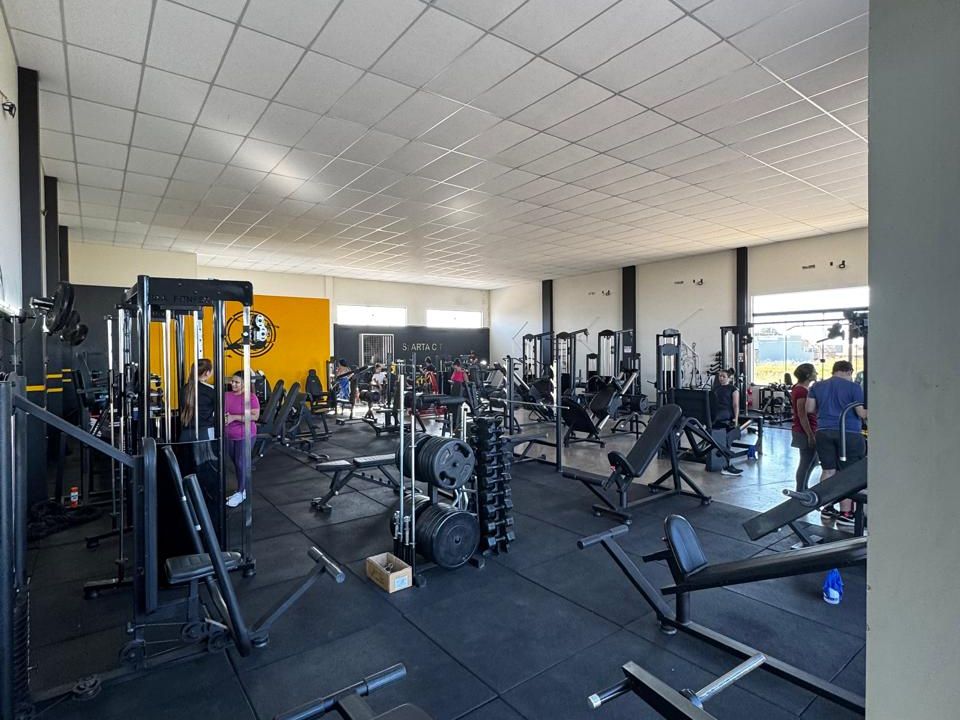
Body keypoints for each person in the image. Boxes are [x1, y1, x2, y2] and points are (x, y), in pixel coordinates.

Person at [806, 360, 867, 527]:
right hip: (848, 433)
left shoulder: (817, 386)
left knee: (828, 470)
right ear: (849, 372)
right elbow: (861, 413)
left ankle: (827, 508)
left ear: (834, 370)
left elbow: (809, 409)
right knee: (847, 473)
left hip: (823, 431)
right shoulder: (854, 387)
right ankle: (846, 514)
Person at [224, 371, 260, 507]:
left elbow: (255, 416)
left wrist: (234, 417)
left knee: (241, 463)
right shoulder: (226, 395)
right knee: (236, 463)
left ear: (244, 383)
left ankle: (241, 492)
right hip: (229, 435)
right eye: (232, 381)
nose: (233, 384)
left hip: (245, 434)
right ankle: (242, 490)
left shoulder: (251, 397)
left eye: (236, 382)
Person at [790, 363, 819, 492]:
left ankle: (804, 488)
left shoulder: (802, 389)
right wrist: (810, 435)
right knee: (806, 462)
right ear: (808, 375)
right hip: (804, 430)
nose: (816, 373)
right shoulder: (801, 391)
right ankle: (800, 490)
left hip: (808, 428)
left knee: (813, 461)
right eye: (814, 371)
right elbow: (802, 415)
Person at [712, 368, 743, 477]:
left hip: (727, 414)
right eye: (720, 376)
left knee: (728, 440)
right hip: (717, 415)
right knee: (720, 440)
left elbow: (735, 405)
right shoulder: (715, 389)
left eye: (723, 376)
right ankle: (724, 465)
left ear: (729, 378)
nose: (721, 378)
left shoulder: (733, 389)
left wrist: (736, 419)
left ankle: (726, 465)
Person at [179, 359, 216, 441]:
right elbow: (218, 412)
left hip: (185, 434)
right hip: (204, 433)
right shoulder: (210, 390)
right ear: (207, 373)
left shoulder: (184, 389)